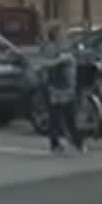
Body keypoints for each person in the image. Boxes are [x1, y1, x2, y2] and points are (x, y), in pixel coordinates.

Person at [39, 25, 84, 153]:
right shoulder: (52, 47)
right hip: (59, 87)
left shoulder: (55, 46)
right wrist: (63, 59)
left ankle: (60, 143)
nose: (64, 35)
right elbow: (49, 65)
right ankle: (73, 142)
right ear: (57, 34)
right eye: (62, 32)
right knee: (64, 116)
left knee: (59, 116)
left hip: (60, 86)